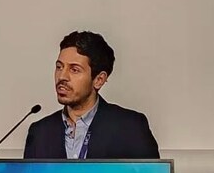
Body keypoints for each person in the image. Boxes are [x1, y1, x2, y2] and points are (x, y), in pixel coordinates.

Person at [23, 30, 159, 159]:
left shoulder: (130, 127)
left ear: (99, 80)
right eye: (59, 67)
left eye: (74, 70)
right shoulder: (39, 132)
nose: (62, 76)